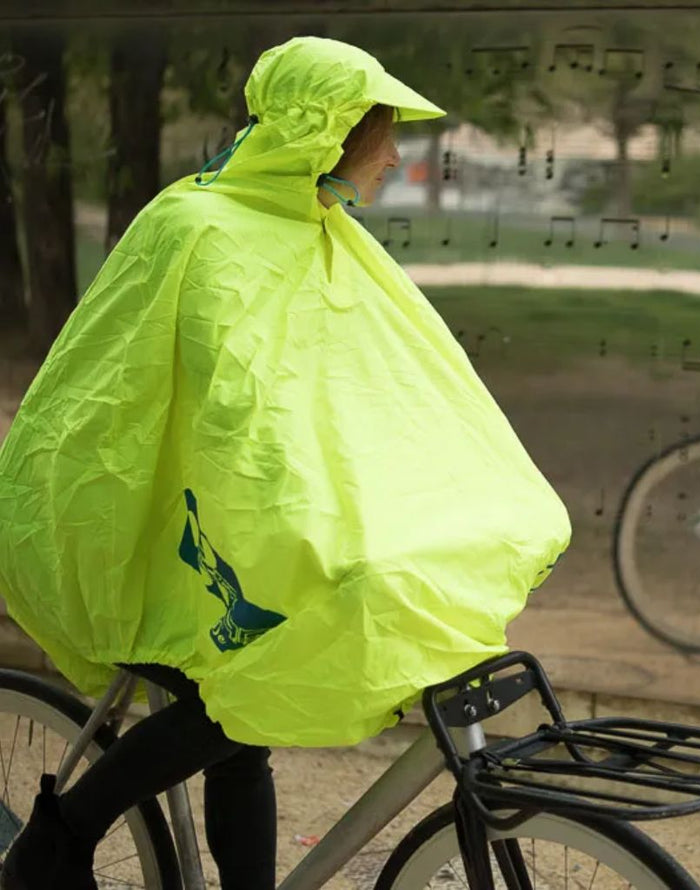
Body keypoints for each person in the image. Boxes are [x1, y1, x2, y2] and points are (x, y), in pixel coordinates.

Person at [0, 36, 571, 890]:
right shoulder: (193, 225)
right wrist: (297, 512)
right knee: (237, 699)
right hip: (162, 524)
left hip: (252, 511)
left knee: (247, 727)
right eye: (377, 132)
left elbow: (394, 387)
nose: (389, 155)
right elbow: (217, 410)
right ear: (325, 135)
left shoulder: (324, 230)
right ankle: (66, 831)